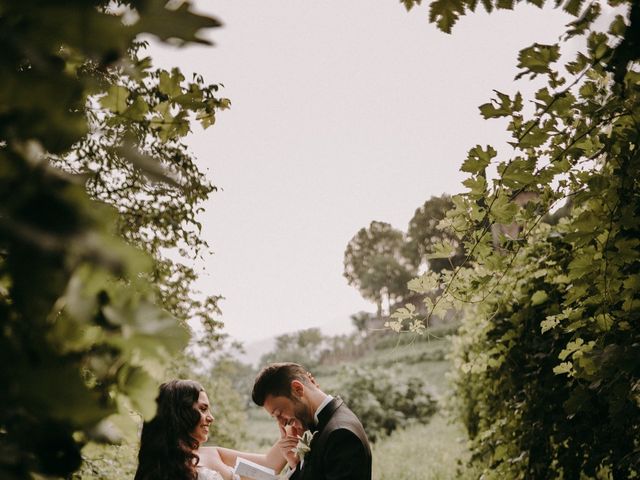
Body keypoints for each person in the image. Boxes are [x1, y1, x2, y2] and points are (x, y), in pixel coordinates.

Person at [135, 379, 287, 480]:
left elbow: (269, 468)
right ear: (179, 414)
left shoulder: (214, 454)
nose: (211, 418)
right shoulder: (158, 470)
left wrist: (292, 425)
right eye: (202, 409)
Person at [252, 363, 372, 480]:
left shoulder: (341, 434)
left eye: (279, 413)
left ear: (297, 389)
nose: (282, 423)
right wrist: (294, 464)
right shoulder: (323, 426)